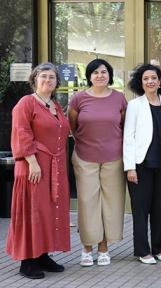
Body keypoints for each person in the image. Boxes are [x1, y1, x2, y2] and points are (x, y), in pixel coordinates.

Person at [7, 63, 70, 279]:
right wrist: (32, 162)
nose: (48, 80)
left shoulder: (55, 105)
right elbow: (21, 132)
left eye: (52, 77)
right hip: (33, 166)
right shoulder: (26, 103)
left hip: (54, 167)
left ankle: (42, 254)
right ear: (34, 79)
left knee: (48, 211)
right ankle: (27, 261)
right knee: (32, 211)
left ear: (56, 82)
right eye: (43, 76)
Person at [68, 59, 128, 267]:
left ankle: (104, 247)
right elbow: (73, 125)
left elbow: (123, 125)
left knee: (111, 204)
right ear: (89, 76)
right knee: (87, 203)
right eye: (95, 72)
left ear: (110, 75)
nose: (100, 75)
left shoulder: (119, 98)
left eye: (104, 72)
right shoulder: (78, 99)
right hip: (85, 157)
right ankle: (87, 247)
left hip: (114, 158)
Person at [123, 64, 161, 265]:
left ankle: (158, 248)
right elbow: (129, 137)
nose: (150, 82)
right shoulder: (135, 105)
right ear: (140, 82)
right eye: (146, 79)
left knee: (159, 209)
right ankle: (142, 250)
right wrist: (130, 167)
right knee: (141, 209)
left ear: (160, 81)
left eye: (154, 78)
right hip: (141, 165)